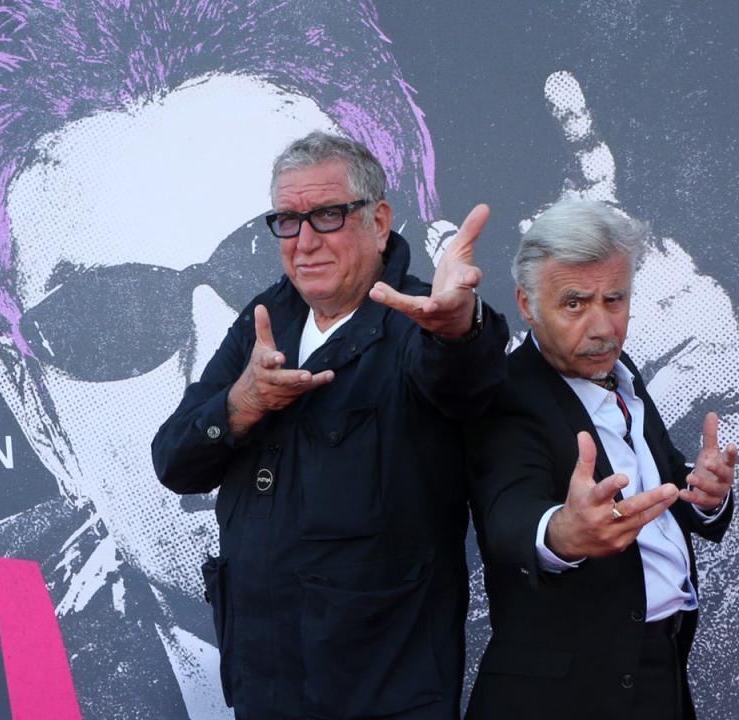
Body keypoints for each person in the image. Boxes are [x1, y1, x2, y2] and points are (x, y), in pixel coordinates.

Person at [0, 2, 447, 718]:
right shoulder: (1, 644)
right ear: (40, 418)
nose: (228, 374)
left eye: (285, 264)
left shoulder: (601, 562)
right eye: (110, 315)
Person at [152, 131, 508, 719]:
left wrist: (457, 328)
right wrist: (241, 404)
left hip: (386, 695)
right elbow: (175, 461)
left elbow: (465, 381)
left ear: (379, 220)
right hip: (265, 692)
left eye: (328, 215)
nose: (306, 241)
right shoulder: (264, 321)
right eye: (288, 220)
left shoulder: (420, 318)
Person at [465, 198, 735, 719]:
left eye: (615, 299)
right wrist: (563, 534)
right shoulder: (504, 394)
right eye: (574, 304)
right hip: (562, 698)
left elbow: (651, 486)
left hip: (661, 673)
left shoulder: (622, 373)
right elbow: (508, 515)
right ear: (526, 304)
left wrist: (704, 493)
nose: (602, 326)